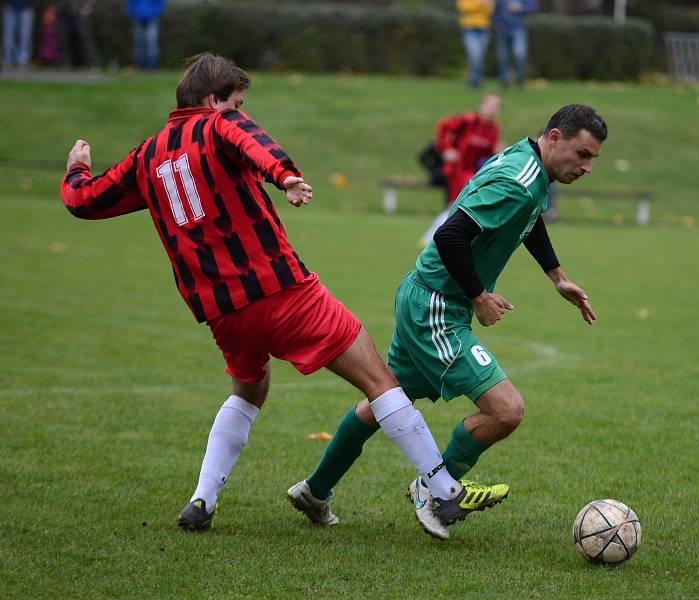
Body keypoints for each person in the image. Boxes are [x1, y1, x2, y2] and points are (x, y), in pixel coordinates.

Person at [59, 53, 506, 539]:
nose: (241, 112)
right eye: (236, 103)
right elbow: (247, 137)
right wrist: (284, 173)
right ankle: (443, 489)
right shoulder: (216, 125)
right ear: (213, 102)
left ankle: (202, 500)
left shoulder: (146, 157)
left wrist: (76, 171)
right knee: (380, 382)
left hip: (222, 313)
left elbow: (86, 201)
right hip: (283, 292)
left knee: (249, 391)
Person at [294, 104, 605, 539]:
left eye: (593, 159)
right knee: (506, 409)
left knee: (383, 401)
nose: (587, 166)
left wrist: (559, 278)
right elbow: (450, 233)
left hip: (425, 294)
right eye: (583, 154)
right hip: (438, 306)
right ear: (555, 137)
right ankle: (436, 490)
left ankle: (315, 490)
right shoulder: (520, 180)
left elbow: (527, 220)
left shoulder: (528, 164)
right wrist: (479, 296)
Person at [420, 93, 503, 246]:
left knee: (456, 206)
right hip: (456, 170)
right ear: (481, 105)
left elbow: (486, 155)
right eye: (489, 104)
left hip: (473, 174)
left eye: (496, 106)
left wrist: (497, 151)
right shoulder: (468, 121)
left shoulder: (494, 130)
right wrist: (446, 150)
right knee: (457, 205)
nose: (492, 109)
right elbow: (443, 126)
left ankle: (435, 239)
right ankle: (434, 239)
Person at [493, 0, 536, 87]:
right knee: (503, 57)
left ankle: (520, 79)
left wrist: (521, 8)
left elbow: (532, 6)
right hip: (503, 29)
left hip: (518, 28)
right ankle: (504, 81)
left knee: (520, 54)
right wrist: (497, 23)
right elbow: (495, 9)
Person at [456, 0, 494, 88]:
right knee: (474, 54)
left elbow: (490, 10)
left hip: (484, 28)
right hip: (469, 28)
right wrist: (480, 4)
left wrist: (487, 5)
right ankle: (474, 80)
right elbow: (463, 7)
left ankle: (478, 80)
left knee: (480, 56)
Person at [127, 0, 164, 71]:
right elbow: (130, 3)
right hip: (137, 20)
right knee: (139, 44)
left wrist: (155, 14)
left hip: (152, 20)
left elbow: (160, 3)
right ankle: (139, 66)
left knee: (151, 43)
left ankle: (152, 67)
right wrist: (132, 14)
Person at [2, 0, 34, 69]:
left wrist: (31, 3)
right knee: (8, 36)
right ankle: (8, 61)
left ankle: (22, 61)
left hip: (26, 7)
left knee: (25, 37)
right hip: (9, 7)